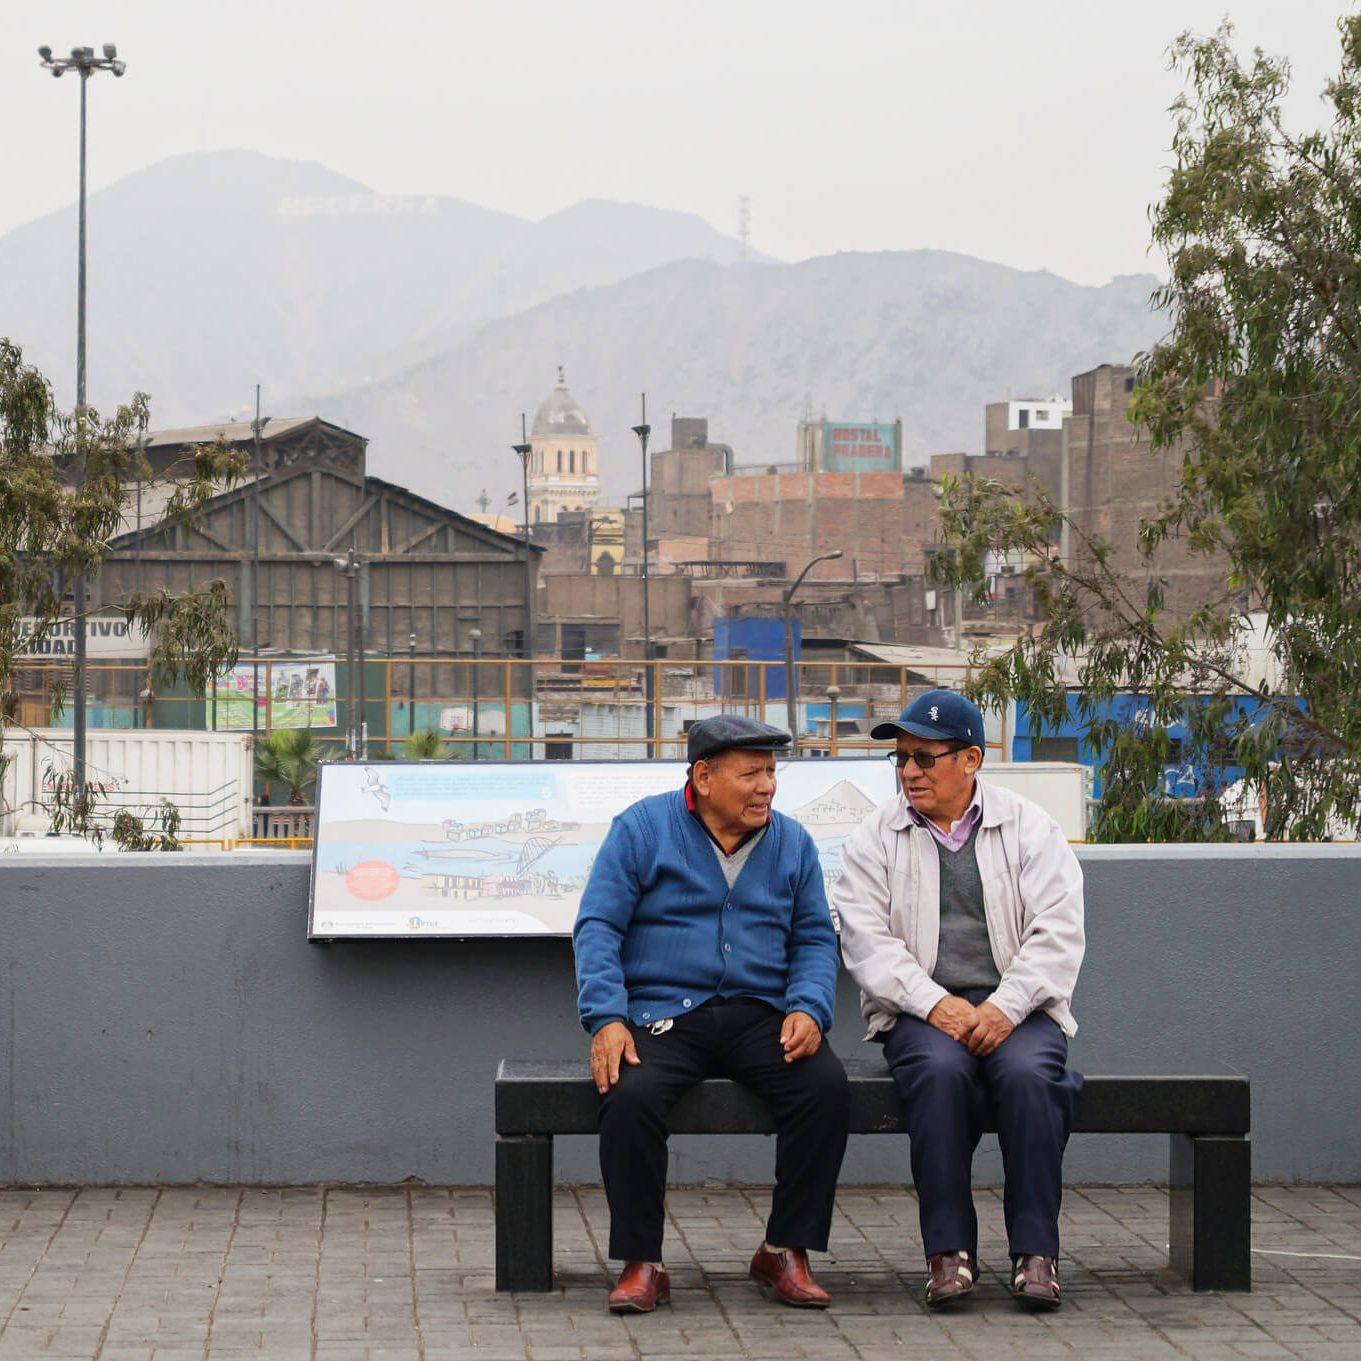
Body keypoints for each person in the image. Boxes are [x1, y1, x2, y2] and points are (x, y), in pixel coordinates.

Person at [573, 715, 849, 1314]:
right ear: (702, 777)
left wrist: (808, 1007)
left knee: (823, 1086)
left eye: (772, 772)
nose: (767, 787)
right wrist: (608, 1017)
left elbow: (814, 939)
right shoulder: (643, 829)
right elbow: (598, 925)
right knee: (630, 1094)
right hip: (663, 1013)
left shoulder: (793, 843)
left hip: (760, 1014)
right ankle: (641, 1261)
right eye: (751, 773)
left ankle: (785, 1248)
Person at [834, 690, 1084, 1311]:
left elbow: (1058, 930)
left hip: (1019, 1006)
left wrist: (1006, 1006)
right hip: (920, 1010)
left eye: (925, 757)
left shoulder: (1029, 827)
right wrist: (935, 1003)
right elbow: (866, 940)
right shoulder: (874, 837)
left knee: (1029, 1076)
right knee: (940, 1075)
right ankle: (948, 1254)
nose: (909, 772)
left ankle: (1036, 1253)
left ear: (969, 760)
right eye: (901, 759)